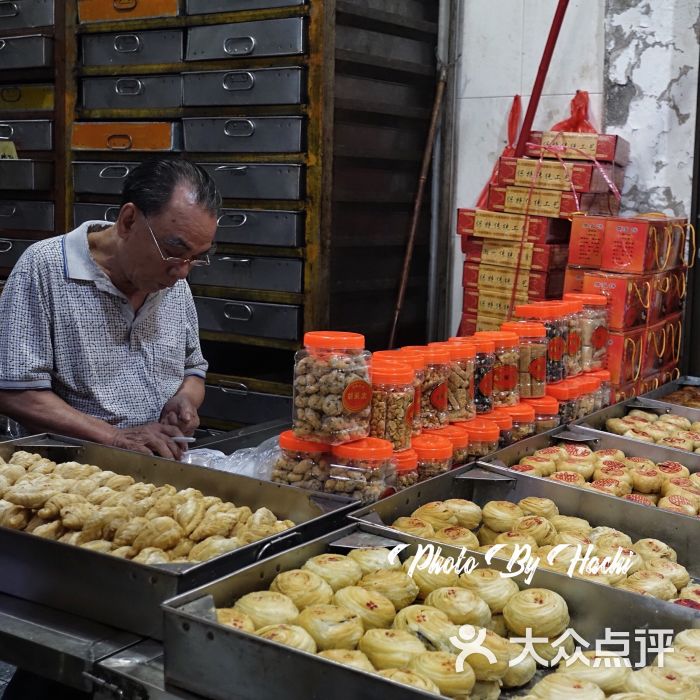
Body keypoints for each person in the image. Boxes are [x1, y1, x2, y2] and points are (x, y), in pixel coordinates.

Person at [0, 158, 220, 459]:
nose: (183, 272)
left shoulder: (173, 279)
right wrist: (114, 438)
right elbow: (16, 393)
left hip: (159, 462)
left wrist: (185, 400)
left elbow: (193, 370)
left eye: (198, 257)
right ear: (129, 220)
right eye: (174, 251)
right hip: (72, 469)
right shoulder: (45, 267)